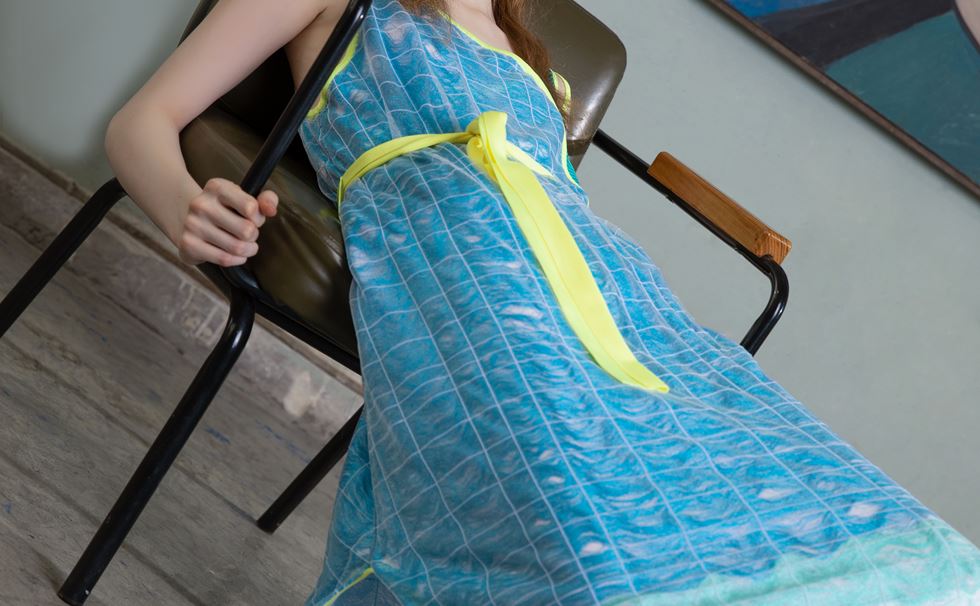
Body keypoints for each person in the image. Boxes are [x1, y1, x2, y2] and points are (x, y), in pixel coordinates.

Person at [104, 0, 980, 604]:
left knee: (856, 520)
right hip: (462, 271)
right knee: (593, 542)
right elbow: (141, 121)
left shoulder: (529, 56)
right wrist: (185, 207)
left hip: (617, 288)